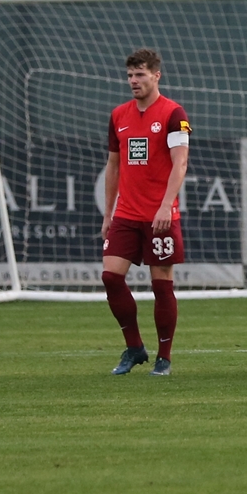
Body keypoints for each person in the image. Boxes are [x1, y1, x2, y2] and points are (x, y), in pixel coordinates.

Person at [100, 49, 191, 377]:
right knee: (110, 277)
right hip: (126, 213)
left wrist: (167, 204)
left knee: (161, 285)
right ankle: (135, 347)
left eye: (140, 75)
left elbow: (180, 162)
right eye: (130, 75)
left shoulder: (172, 113)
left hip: (160, 215)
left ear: (156, 76)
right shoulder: (118, 115)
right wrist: (108, 214)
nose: (133, 81)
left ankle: (164, 357)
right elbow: (113, 166)